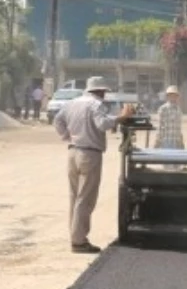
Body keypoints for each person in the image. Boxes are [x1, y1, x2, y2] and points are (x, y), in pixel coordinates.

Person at [53, 76, 134, 253]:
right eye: (104, 92)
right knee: (85, 198)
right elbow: (102, 124)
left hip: (73, 151)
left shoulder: (72, 103)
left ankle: (75, 236)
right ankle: (79, 241)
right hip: (89, 154)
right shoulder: (96, 104)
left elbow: (57, 121)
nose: (104, 95)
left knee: (74, 197)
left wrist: (68, 136)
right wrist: (122, 117)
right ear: (100, 91)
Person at [154, 85, 184, 150]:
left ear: (177, 96)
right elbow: (160, 127)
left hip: (176, 141)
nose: (173, 97)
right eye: (171, 95)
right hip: (166, 141)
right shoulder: (163, 109)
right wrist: (157, 142)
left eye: (175, 95)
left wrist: (181, 142)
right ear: (167, 96)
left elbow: (178, 127)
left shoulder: (178, 110)